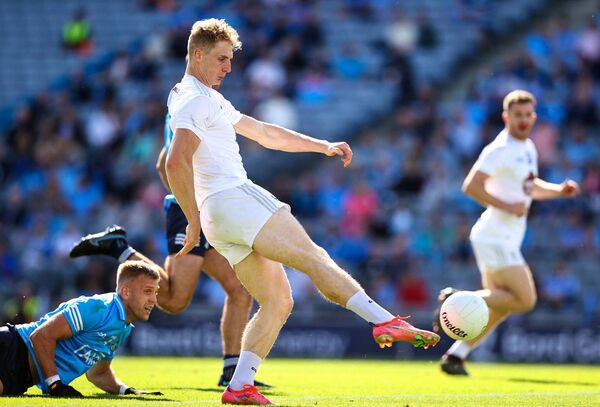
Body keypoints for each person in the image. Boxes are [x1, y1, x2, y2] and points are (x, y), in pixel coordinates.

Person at [165, 18, 440, 405]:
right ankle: (383, 321)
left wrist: (320, 144)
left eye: (230, 59)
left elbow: (263, 132)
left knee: (278, 301)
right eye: (222, 59)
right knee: (314, 257)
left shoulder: (196, 95)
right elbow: (175, 162)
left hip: (220, 216)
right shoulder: (196, 99)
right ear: (197, 54)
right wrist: (191, 220)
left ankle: (240, 385)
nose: (229, 67)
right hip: (234, 199)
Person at [69, 112, 270, 388]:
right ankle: (119, 247)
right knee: (175, 300)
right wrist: (187, 201)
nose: (225, 69)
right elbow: (166, 163)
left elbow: (164, 160)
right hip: (192, 212)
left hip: (206, 210)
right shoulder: (194, 107)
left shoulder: (185, 107)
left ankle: (231, 370)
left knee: (239, 288)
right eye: (221, 64)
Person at [434, 90, 580, 376]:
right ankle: (456, 299)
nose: (523, 120)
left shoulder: (527, 148)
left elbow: (529, 186)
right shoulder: (499, 148)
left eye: (528, 115)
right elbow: (471, 186)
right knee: (525, 300)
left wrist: (558, 191)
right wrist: (506, 205)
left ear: (533, 117)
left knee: (499, 304)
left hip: (500, 237)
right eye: (518, 115)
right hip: (495, 236)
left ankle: (456, 355)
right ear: (506, 117)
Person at [0, 260, 163, 397]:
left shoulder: (123, 326)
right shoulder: (98, 308)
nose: (154, 300)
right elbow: (40, 336)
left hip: (21, 376)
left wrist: (127, 390)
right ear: (126, 292)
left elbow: (98, 373)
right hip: (11, 348)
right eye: (148, 291)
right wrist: (54, 384)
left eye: (155, 292)